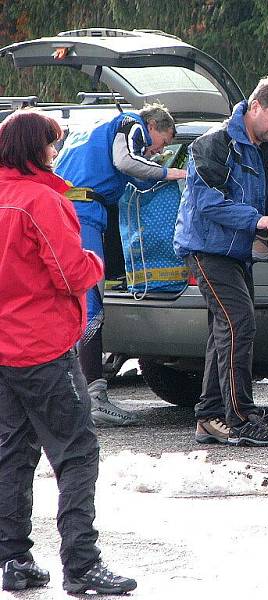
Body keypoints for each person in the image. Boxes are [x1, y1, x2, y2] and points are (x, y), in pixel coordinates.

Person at [0, 110, 136, 594]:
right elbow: (71, 273)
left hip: (4, 349)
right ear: (37, 148)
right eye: (53, 145)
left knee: (13, 454)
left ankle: (13, 558)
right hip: (43, 347)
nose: (56, 152)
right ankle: (82, 565)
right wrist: (98, 260)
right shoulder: (42, 201)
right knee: (77, 453)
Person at [174, 74, 268, 447]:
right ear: (254, 107)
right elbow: (207, 203)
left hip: (238, 252)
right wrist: (256, 220)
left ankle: (209, 416)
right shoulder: (213, 145)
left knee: (227, 329)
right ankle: (239, 416)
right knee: (239, 324)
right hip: (206, 248)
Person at [55, 102, 187, 427]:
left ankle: (72, 392)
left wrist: (157, 177)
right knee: (91, 304)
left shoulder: (92, 129)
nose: (158, 151)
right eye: (164, 142)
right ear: (153, 125)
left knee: (71, 304)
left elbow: (131, 179)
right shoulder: (130, 124)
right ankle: (94, 396)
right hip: (83, 216)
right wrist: (175, 172)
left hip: (64, 212)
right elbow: (126, 161)